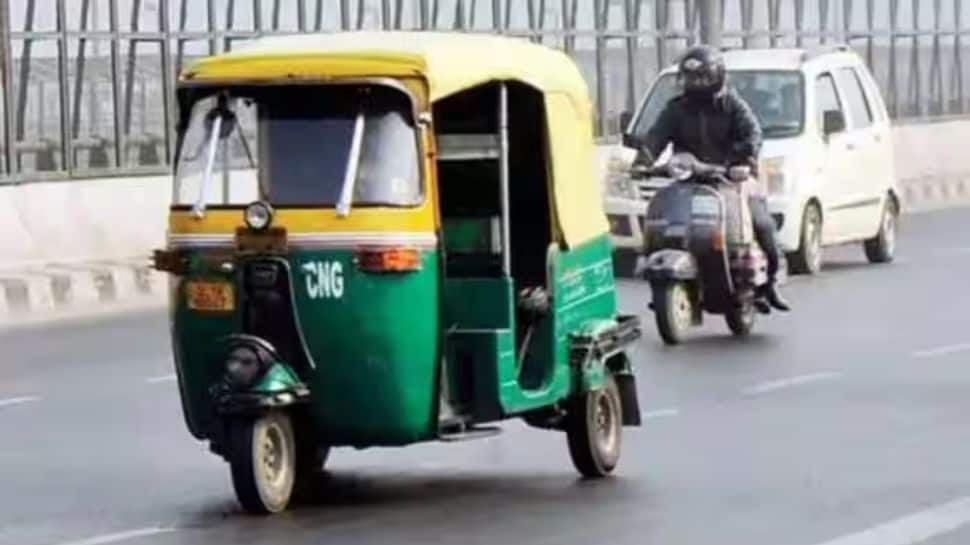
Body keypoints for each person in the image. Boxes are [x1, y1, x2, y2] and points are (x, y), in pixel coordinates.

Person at [633, 44, 790, 311]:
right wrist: (643, 161)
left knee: (761, 223)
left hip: (732, 177)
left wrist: (743, 158)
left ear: (717, 76)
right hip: (690, 179)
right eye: (691, 77)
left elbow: (753, 134)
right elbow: (656, 137)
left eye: (702, 77)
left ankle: (771, 280)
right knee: (662, 223)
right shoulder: (676, 109)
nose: (696, 83)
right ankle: (660, 269)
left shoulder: (733, 105)